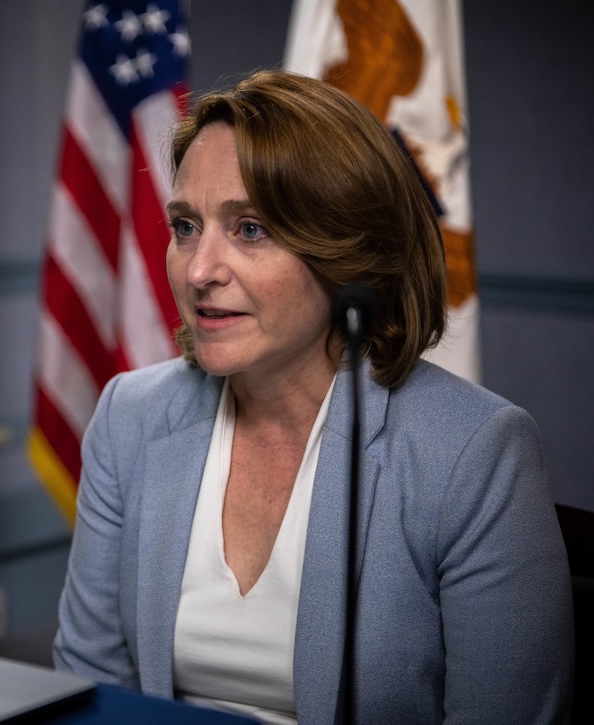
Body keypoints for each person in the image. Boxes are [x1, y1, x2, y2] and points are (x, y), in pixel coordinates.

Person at [51, 69, 574, 724]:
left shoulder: (474, 452)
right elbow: (92, 684)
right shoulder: (130, 415)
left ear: (348, 253)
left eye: (249, 229)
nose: (200, 270)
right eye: (186, 226)